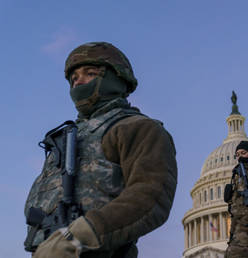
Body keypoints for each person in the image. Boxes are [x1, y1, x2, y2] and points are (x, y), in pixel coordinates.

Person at [24, 42, 178, 258]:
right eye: (74, 78)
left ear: (116, 78)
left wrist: (77, 236)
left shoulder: (137, 128)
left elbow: (150, 196)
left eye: (90, 73)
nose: (79, 82)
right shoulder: (68, 138)